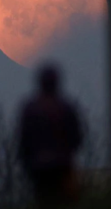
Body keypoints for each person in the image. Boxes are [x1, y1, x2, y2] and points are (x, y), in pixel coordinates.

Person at [16, 62, 83, 208]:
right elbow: (77, 138)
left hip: (40, 168)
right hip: (61, 166)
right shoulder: (66, 108)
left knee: (44, 202)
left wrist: (26, 162)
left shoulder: (31, 109)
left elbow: (23, 140)